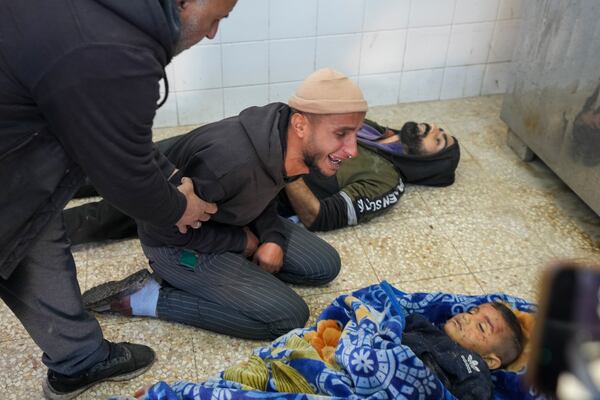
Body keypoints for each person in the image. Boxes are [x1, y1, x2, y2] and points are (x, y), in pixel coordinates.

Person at [0, 0, 237, 398]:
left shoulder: (106, 23)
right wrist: (181, 207)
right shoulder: (113, 52)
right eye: (216, 18)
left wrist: (172, 176)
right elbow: (126, 176)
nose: (213, 33)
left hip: (14, 156)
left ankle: (80, 360)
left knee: (34, 232)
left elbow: (112, 132)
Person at [81, 68, 368, 342]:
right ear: (301, 124)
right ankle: (148, 297)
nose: (353, 150)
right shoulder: (229, 164)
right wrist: (241, 242)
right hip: (176, 243)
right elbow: (163, 230)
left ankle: (235, 273)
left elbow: (263, 191)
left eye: (355, 133)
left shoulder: (286, 140)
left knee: (324, 266)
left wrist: (271, 238)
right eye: (341, 134)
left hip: (232, 219)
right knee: (289, 316)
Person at [129, 299, 525, 400]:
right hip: (338, 367)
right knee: (275, 365)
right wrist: (363, 325)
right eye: (473, 311)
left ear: (491, 359)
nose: (468, 317)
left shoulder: (476, 372)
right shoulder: (425, 326)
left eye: (482, 325)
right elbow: (382, 319)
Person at [282, 118, 461, 231]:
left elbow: (317, 217)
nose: (435, 128)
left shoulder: (386, 180)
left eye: (438, 140)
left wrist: (286, 166)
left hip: (267, 184)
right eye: (441, 130)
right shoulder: (371, 129)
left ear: (428, 165)